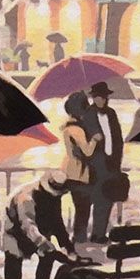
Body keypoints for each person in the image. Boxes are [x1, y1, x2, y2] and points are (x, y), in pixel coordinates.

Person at [3, 171, 79, 279]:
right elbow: (27, 225)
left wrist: (67, 246)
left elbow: (57, 221)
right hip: (15, 230)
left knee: (48, 255)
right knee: (14, 257)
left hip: (40, 227)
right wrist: (44, 244)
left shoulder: (54, 197)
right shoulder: (26, 197)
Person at [82, 81, 124, 243]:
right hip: (96, 165)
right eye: (98, 97)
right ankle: (95, 234)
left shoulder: (111, 114)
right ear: (93, 98)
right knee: (99, 200)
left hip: (112, 163)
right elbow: (90, 136)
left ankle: (100, 233)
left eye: (103, 97)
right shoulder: (89, 114)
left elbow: (118, 139)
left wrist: (117, 161)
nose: (101, 100)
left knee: (108, 199)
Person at [59, 92, 101, 244]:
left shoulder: (68, 127)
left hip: (71, 172)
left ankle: (79, 238)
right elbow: (88, 151)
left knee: (81, 208)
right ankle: (79, 239)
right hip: (80, 174)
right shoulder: (77, 130)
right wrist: (95, 139)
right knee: (83, 209)